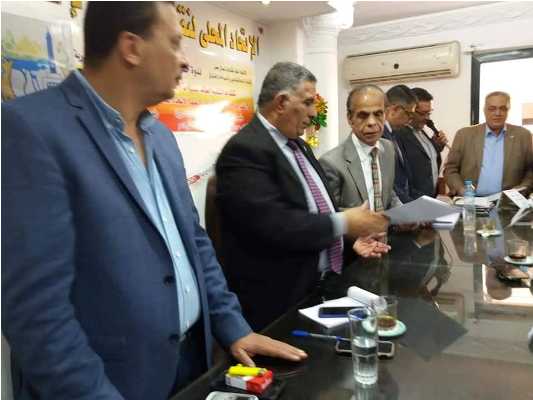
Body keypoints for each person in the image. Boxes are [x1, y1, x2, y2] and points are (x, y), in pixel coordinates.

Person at [1, 3, 307, 400]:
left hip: (190, 365)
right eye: (175, 44)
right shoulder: (32, 128)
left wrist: (234, 327)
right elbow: (35, 313)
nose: (185, 61)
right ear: (132, 47)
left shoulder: (160, 136)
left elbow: (193, 243)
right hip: (109, 383)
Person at [215, 62, 389, 331]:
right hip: (279, 301)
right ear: (281, 103)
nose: (314, 112)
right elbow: (275, 226)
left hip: (321, 286)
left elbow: (316, 213)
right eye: (308, 103)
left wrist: (349, 241)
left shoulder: (299, 146)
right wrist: (346, 222)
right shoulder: (245, 150)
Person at [320, 84, 402, 212]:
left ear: (385, 114)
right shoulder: (331, 163)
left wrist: (405, 213)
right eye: (363, 115)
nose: (372, 122)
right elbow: (329, 213)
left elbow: (388, 194)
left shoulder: (388, 148)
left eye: (378, 114)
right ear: (350, 118)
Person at [444, 91, 533, 196]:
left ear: (508, 110)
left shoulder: (523, 135)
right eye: (492, 108)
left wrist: (520, 191)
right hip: (470, 201)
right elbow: (450, 169)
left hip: (508, 202)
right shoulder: (464, 135)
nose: (497, 113)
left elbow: (530, 171)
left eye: (502, 108)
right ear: (484, 110)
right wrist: (461, 189)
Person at [398, 87, 448, 198]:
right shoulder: (399, 135)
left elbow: (426, 160)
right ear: (410, 110)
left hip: (431, 197)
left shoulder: (422, 131)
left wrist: (437, 146)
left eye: (429, 113)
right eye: (422, 114)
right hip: (415, 200)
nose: (427, 118)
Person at [382, 84, 417, 203]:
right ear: (394, 109)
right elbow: (389, 184)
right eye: (409, 114)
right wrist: (410, 205)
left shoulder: (395, 134)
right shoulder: (379, 137)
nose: (410, 120)